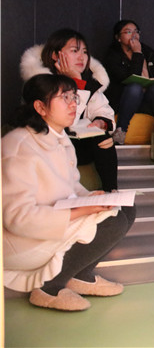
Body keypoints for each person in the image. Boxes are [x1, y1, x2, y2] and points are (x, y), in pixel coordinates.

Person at [2, 74, 136, 311]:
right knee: (112, 222)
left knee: (126, 208)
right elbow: (17, 218)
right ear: (40, 107)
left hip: (52, 221)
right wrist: (82, 210)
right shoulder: (18, 145)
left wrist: (92, 197)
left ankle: (79, 275)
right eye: (64, 98)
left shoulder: (59, 138)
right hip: (22, 241)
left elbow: (72, 186)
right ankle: (49, 288)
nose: (74, 104)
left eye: (74, 97)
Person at [20, 28, 119, 192]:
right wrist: (76, 82)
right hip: (48, 144)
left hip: (77, 144)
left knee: (103, 139)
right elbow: (65, 120)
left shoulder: (89, 82)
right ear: (55, 55)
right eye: (74, 51)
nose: (82, 57)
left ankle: (112, 193)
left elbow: (104, 111)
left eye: (85, 52)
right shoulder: (41, 82)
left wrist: (101, 123)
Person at [104, 19, 154, 145]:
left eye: (136, 31)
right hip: (125, 100)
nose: (134, 35)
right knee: (135, 87)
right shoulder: (113, 56)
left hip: (149, 101)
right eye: (128, 32)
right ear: (118, 38)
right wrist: (137, 53)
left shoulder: (148, 52)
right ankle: (121, 131)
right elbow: (129, 77)